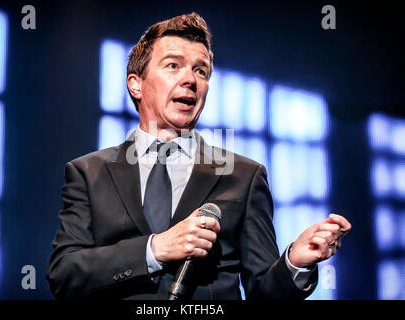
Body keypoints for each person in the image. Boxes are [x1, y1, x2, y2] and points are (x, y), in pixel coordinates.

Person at [46, 12, 351, 300]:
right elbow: (63, 273)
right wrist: (156, 249)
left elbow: (264, 291)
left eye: (200, 70)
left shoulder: (244, 176)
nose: (190, 79)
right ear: (136, 84)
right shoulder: (88, 172)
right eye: (172, 66)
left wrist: (295, 262)